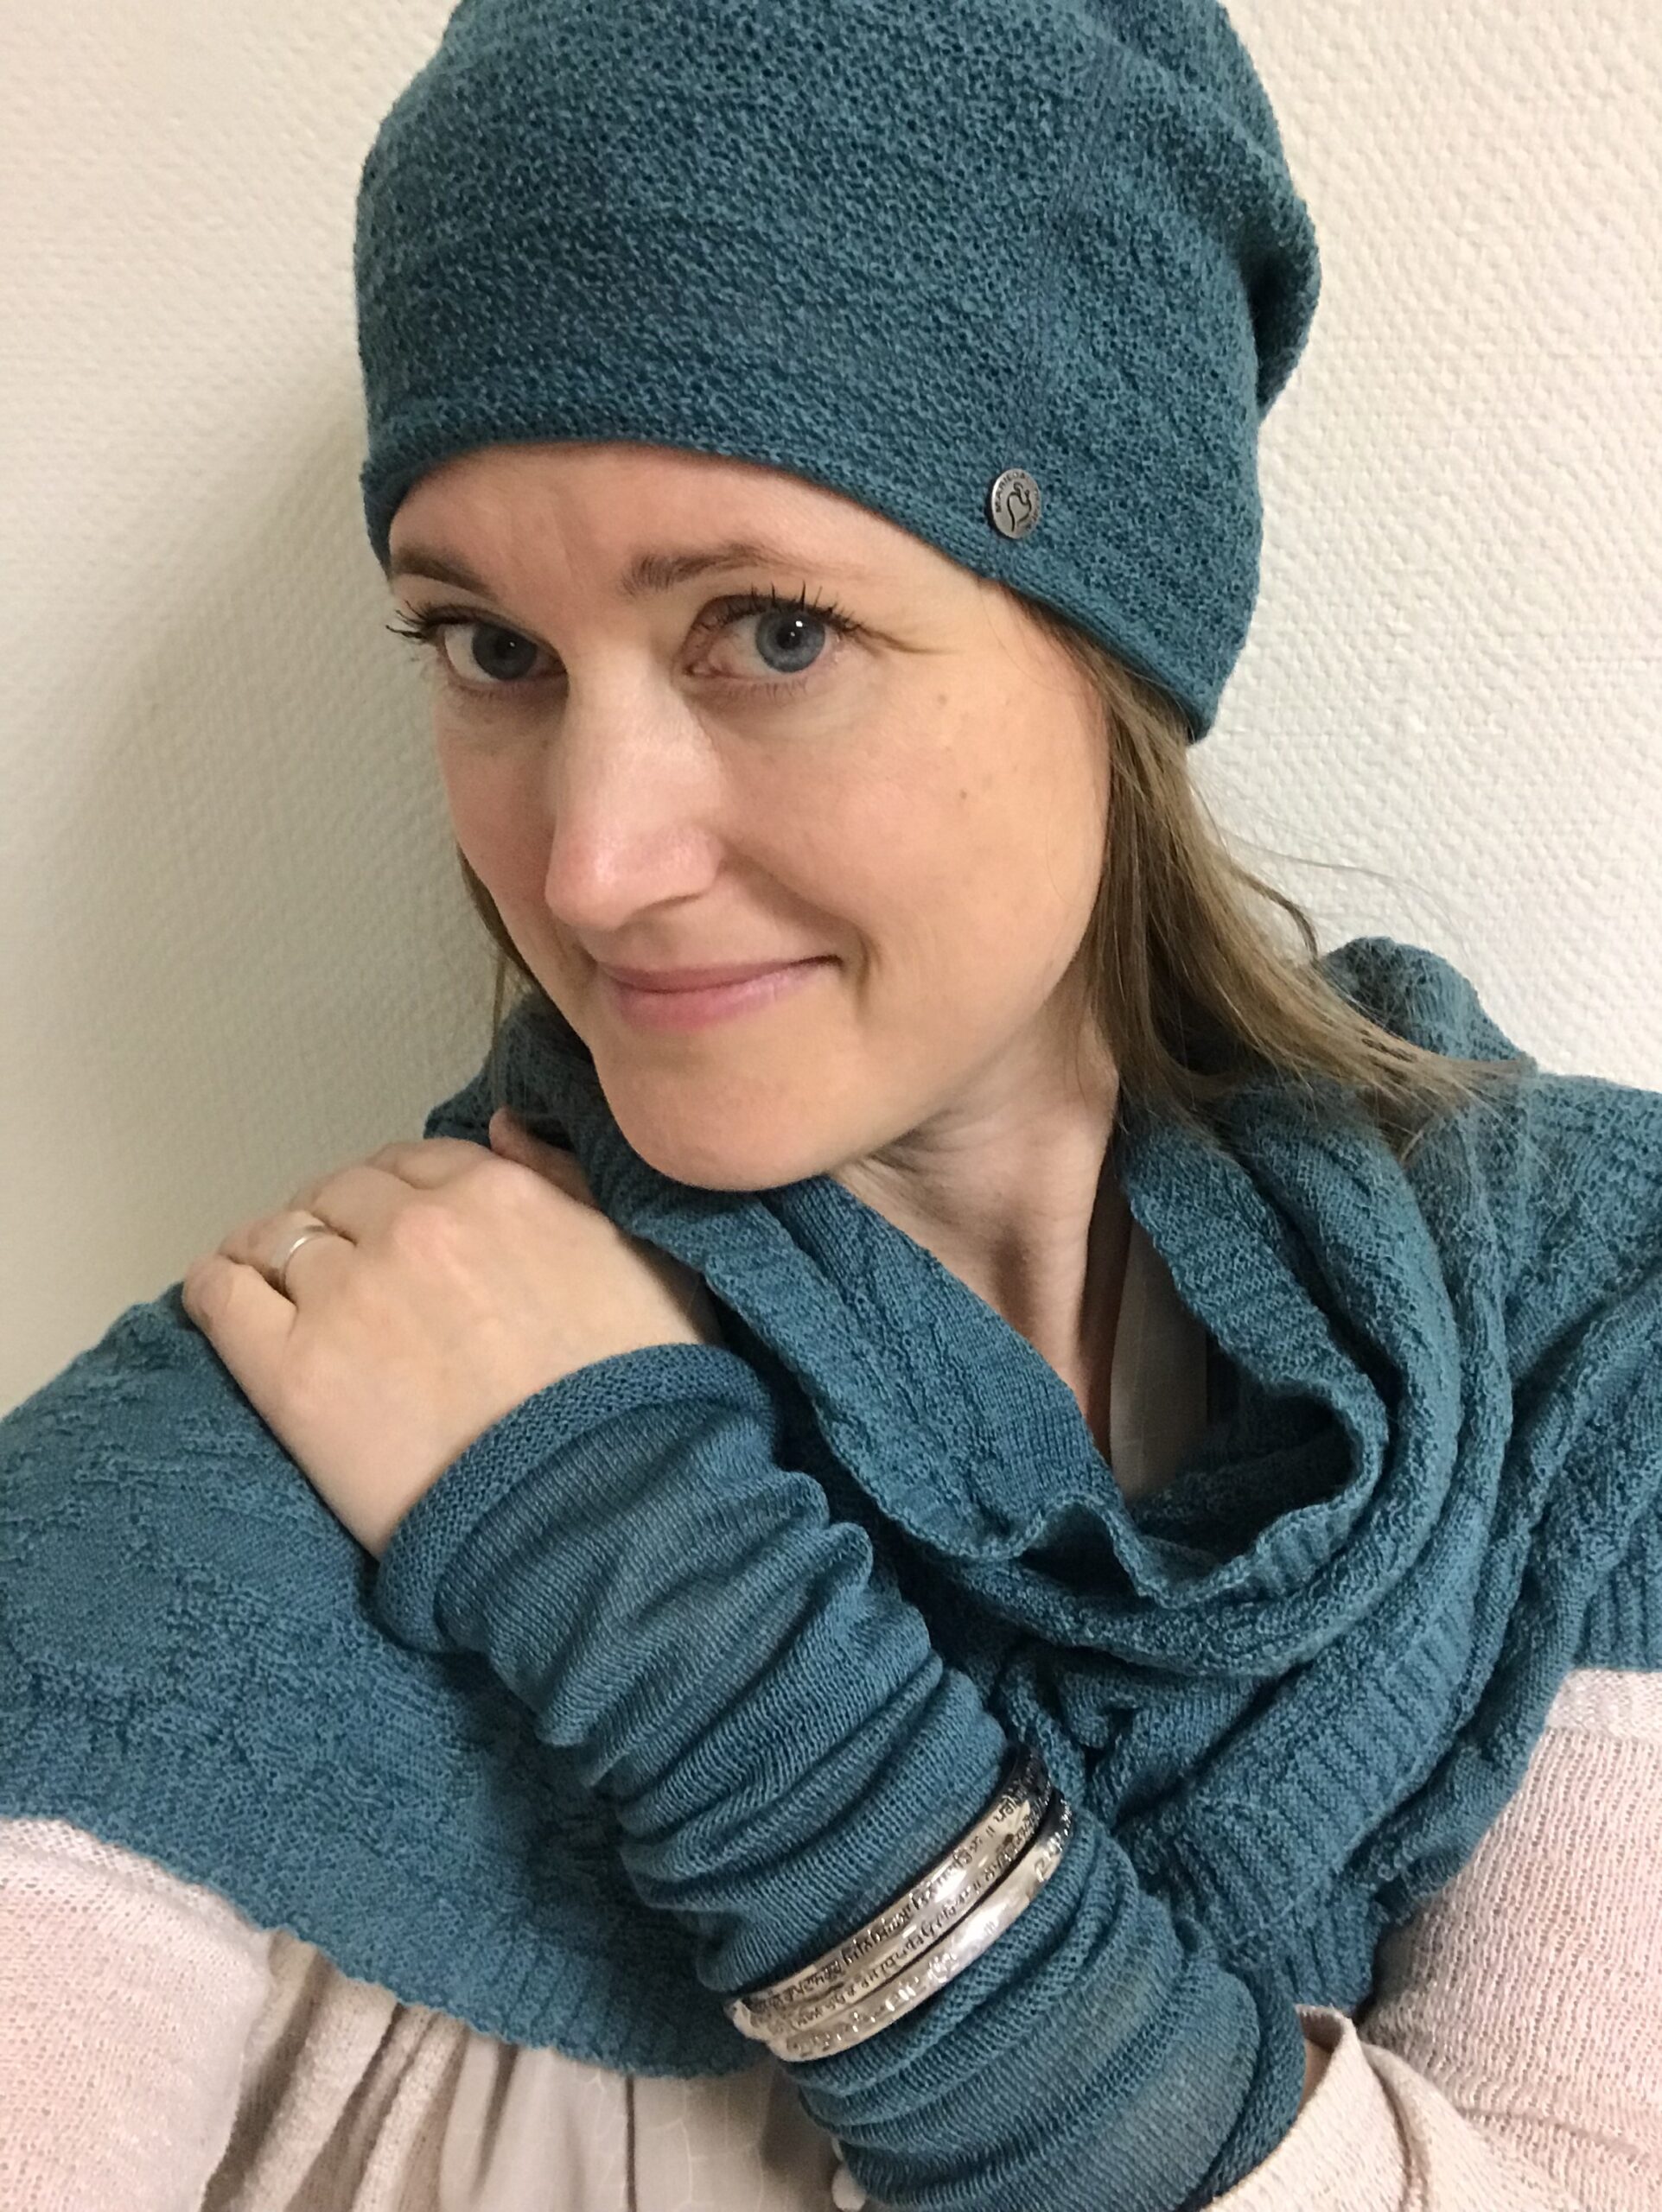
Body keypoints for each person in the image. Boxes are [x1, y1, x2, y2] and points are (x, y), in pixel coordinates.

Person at [3, 2, 1659, 2208]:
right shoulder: (262, 1450)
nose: (589, 862)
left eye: (769, 631)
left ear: (1116, 640)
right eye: (488, 648)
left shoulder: (1575, 1347)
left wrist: (688, 1623)